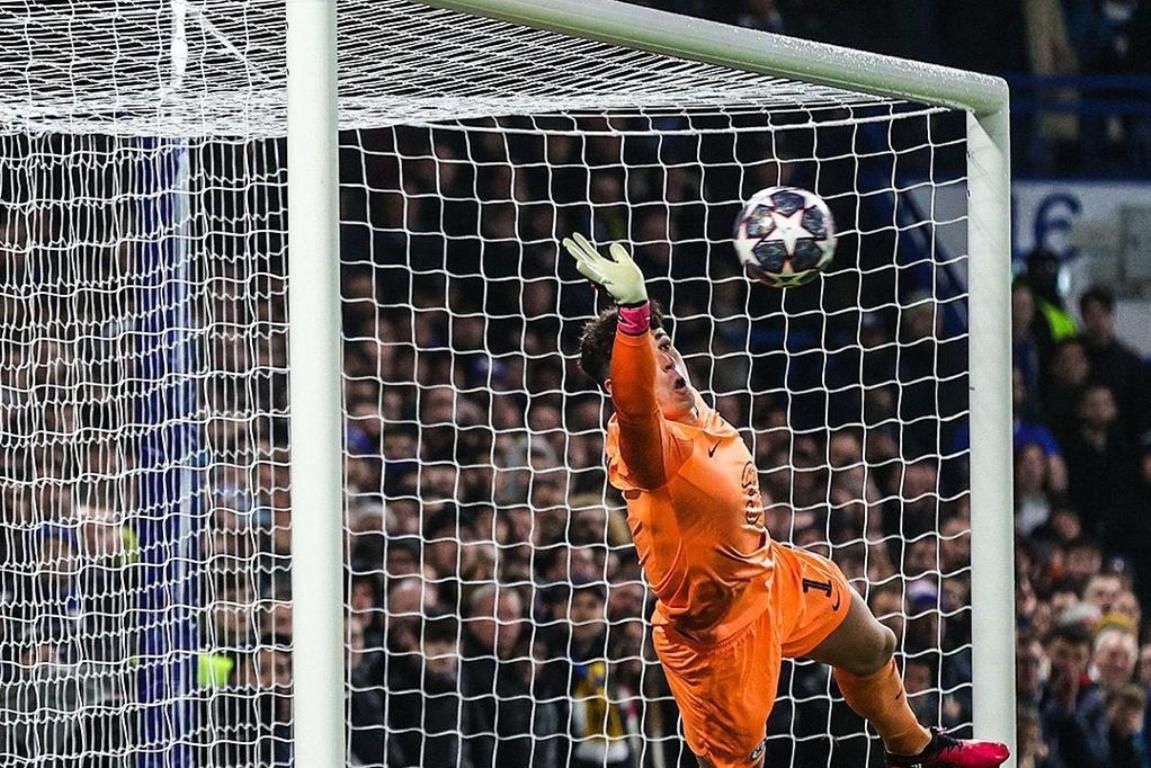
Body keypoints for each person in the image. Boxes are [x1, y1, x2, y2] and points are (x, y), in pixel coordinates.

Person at [562, 232, 1010, 768]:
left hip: (773, 577)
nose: (669, 359)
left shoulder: (691, 408)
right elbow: (634, 405)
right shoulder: (645, 447)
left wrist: (645, 322)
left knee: (873, 647)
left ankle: (917, 749)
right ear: (621, 381)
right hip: (715, 631)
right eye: (652, 355)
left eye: (667, 344)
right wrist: (632, 315)